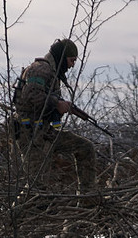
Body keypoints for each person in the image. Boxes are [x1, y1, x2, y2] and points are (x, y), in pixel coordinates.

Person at [12, 38, 97, 193]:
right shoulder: (40, 69)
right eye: (71, 60)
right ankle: (17, 216)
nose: (72, 65)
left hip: (44, 133)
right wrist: (57, 104)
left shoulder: (52, 72)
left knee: (85, 148)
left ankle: (88, 199)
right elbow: (31, 95)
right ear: (62, 57)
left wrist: (60, 107)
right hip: (31, 135)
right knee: (37, 188)